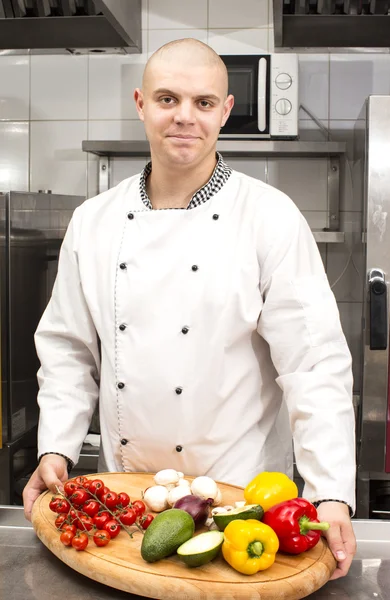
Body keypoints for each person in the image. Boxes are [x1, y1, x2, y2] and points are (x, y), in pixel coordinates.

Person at [23, 38, 356, 579]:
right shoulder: (94, 220)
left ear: (225, 111)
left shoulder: (269, 216)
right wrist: (55, 448)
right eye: (167, 98)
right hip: (127, 507)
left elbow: (313, 366)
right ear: (141, 104)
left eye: (203, 103)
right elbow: (67, 349)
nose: (184, 117)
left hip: (241, 504)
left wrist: (331, 494)